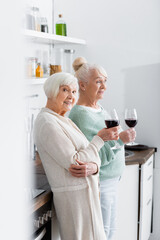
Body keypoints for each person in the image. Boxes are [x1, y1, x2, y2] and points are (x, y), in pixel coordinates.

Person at [34, 72, 120, 240]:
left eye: (74, 92)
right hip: (75, 202)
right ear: (51, 91)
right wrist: (100, 139)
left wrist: (94, 167)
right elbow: (75, 162)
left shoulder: (62, 119)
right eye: (65, 90)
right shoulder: (47, 122)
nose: (71, 96)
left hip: (86, 197)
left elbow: (89, 153)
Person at [69, 57, 136, 240]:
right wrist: (120, 140)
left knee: (110, 230)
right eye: (99, 81)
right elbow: (92, 155)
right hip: (101, 182)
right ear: (82, 85)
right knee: (102, 233)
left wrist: (120, 138)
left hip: (111, 179)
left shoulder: (98, 108)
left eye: (105, 81)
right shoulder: (80, 115)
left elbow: (109, 139)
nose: (104, 87)